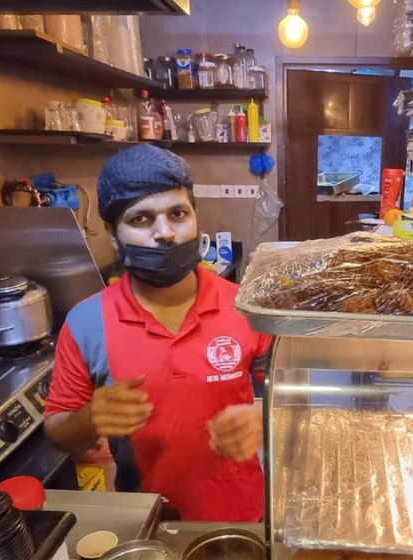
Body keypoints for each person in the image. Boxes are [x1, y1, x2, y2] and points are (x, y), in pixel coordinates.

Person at [43, 144, 271, 522]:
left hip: (242, 516)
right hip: (145, 521)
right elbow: (57, 431)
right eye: (141, 220)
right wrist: (88, 420)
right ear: (114, 235)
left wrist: (262, 418)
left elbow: (289, 398)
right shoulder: (86, 324)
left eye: (178, 214)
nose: (165, 233)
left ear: (196, 218)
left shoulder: (247, 307)